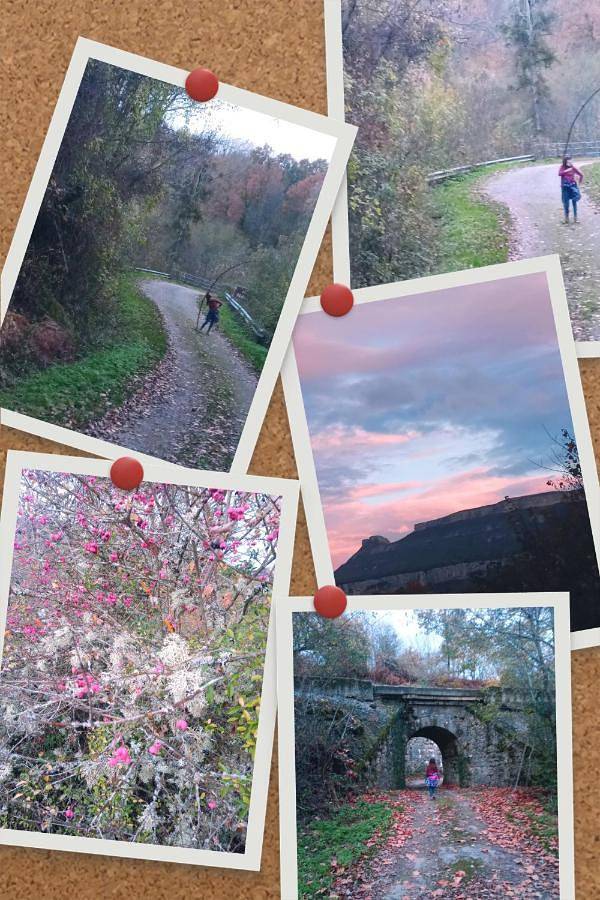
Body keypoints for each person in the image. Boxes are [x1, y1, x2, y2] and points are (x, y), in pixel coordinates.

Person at [558, 156, 583, 224]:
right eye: (568, 161)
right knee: (566, 204)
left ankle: (575, 219)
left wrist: (579, 183)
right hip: (565, 188)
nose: (570, 162)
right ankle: (566, 219)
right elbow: (559, 174)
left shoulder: (573, 168)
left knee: (574, 203)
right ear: (565, 162)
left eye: (571, 161)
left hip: (573, 187)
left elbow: (581, 175)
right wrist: (566, 171)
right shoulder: (562, 167)